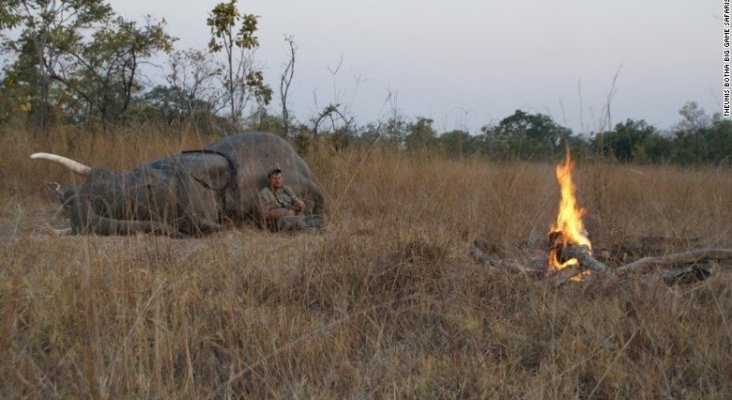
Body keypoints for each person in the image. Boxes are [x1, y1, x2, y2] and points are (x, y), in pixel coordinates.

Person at [258, 165, 322, 232]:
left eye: (280, 178)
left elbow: (297, 202)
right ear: (269, 179)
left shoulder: (286, 189)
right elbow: (265, 214)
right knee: (296, 221)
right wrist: (286, 213)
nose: (278, 181)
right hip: (278, 223)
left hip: (295, 217)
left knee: (318, 219)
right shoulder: (264, 193)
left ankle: (309, 228)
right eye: (275, 178)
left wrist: (300, 206)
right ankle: (309, 230)